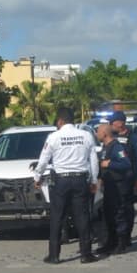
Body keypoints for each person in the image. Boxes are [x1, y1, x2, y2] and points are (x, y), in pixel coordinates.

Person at [34, 107, 100, 264]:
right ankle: (86, 254)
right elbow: (94, 161)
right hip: (80, 180)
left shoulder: (53, 137)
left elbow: (43, 159)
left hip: (61, 182)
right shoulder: (86, 136)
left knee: (57, 217)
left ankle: (54, 255)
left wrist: (37, 177)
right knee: (82, 217)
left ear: (60, 121)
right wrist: (94, 181)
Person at [95, 122, 133, 254]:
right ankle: (110, 242)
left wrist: (110, 163)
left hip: (118, 186)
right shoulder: (105, 147)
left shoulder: (117, 147)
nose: (96, 134)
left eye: (98, 131)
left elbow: (125, 164)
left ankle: (121, 243)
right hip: (108, 186)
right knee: (108, 215)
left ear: (104, 133)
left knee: (119, 214)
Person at [109, 111, 137, 241]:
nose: (110, 125)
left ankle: (126, 236)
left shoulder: (134, 138)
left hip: (128, 178)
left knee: (127, 208)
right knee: (115, 208)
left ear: (120, 123)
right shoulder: (111, 137)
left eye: (112, 122)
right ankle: (116, 235)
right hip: (113, 179)